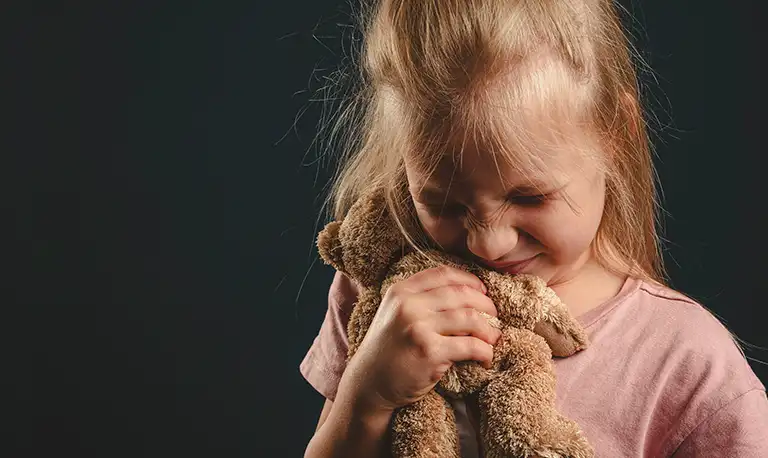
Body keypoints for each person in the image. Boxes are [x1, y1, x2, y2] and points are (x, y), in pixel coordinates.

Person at [299, 0, 768, 456]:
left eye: (529, 197)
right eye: (444, 204)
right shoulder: (378, 296)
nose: (488, 242)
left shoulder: (686, 362)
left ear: (616, 138)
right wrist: (368, 398)